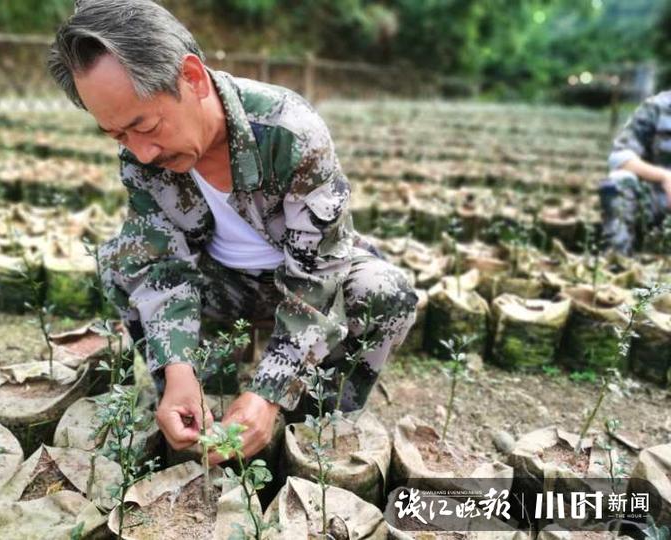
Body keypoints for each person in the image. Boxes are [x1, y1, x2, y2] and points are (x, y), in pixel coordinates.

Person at [48, 0, 417, 462]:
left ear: (193, 78)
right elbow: (159, 263)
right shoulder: (143, 159)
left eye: (146, 125)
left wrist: (270, 391)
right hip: (221, 281)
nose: (141, 153)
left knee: (385, 291)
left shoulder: (289, 132)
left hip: (297, 279)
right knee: (123, 261)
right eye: (119, 135)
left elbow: (320, 276)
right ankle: (191, 399)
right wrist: (177, 366)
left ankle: (311, 429)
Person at [600, 91, 671, 254]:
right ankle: (618, 258)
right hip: (657, 198)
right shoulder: (657, 107)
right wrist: (664, 177)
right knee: (618, 180)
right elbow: (620, 157)